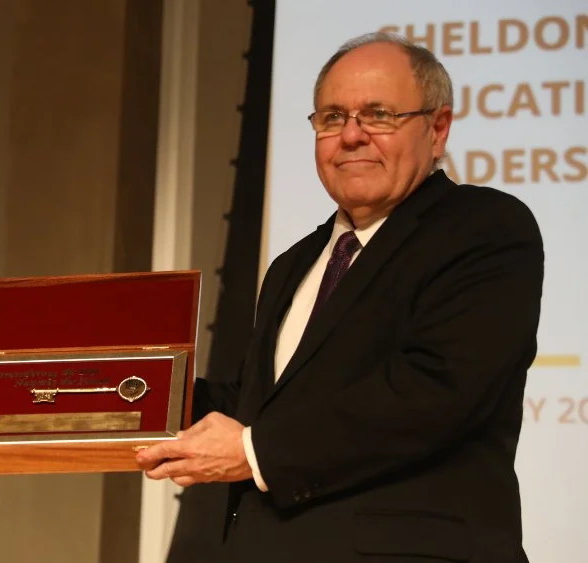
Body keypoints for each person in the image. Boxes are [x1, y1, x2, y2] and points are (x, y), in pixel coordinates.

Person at [137, 32, 543, 562]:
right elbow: (264, 404)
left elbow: (436, 391)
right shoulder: (293, 264)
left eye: (378, 115)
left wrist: (253, 452)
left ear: (438, 129)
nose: (351, 136)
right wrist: (136, 397)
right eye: (331, 118)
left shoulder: (484, 228)